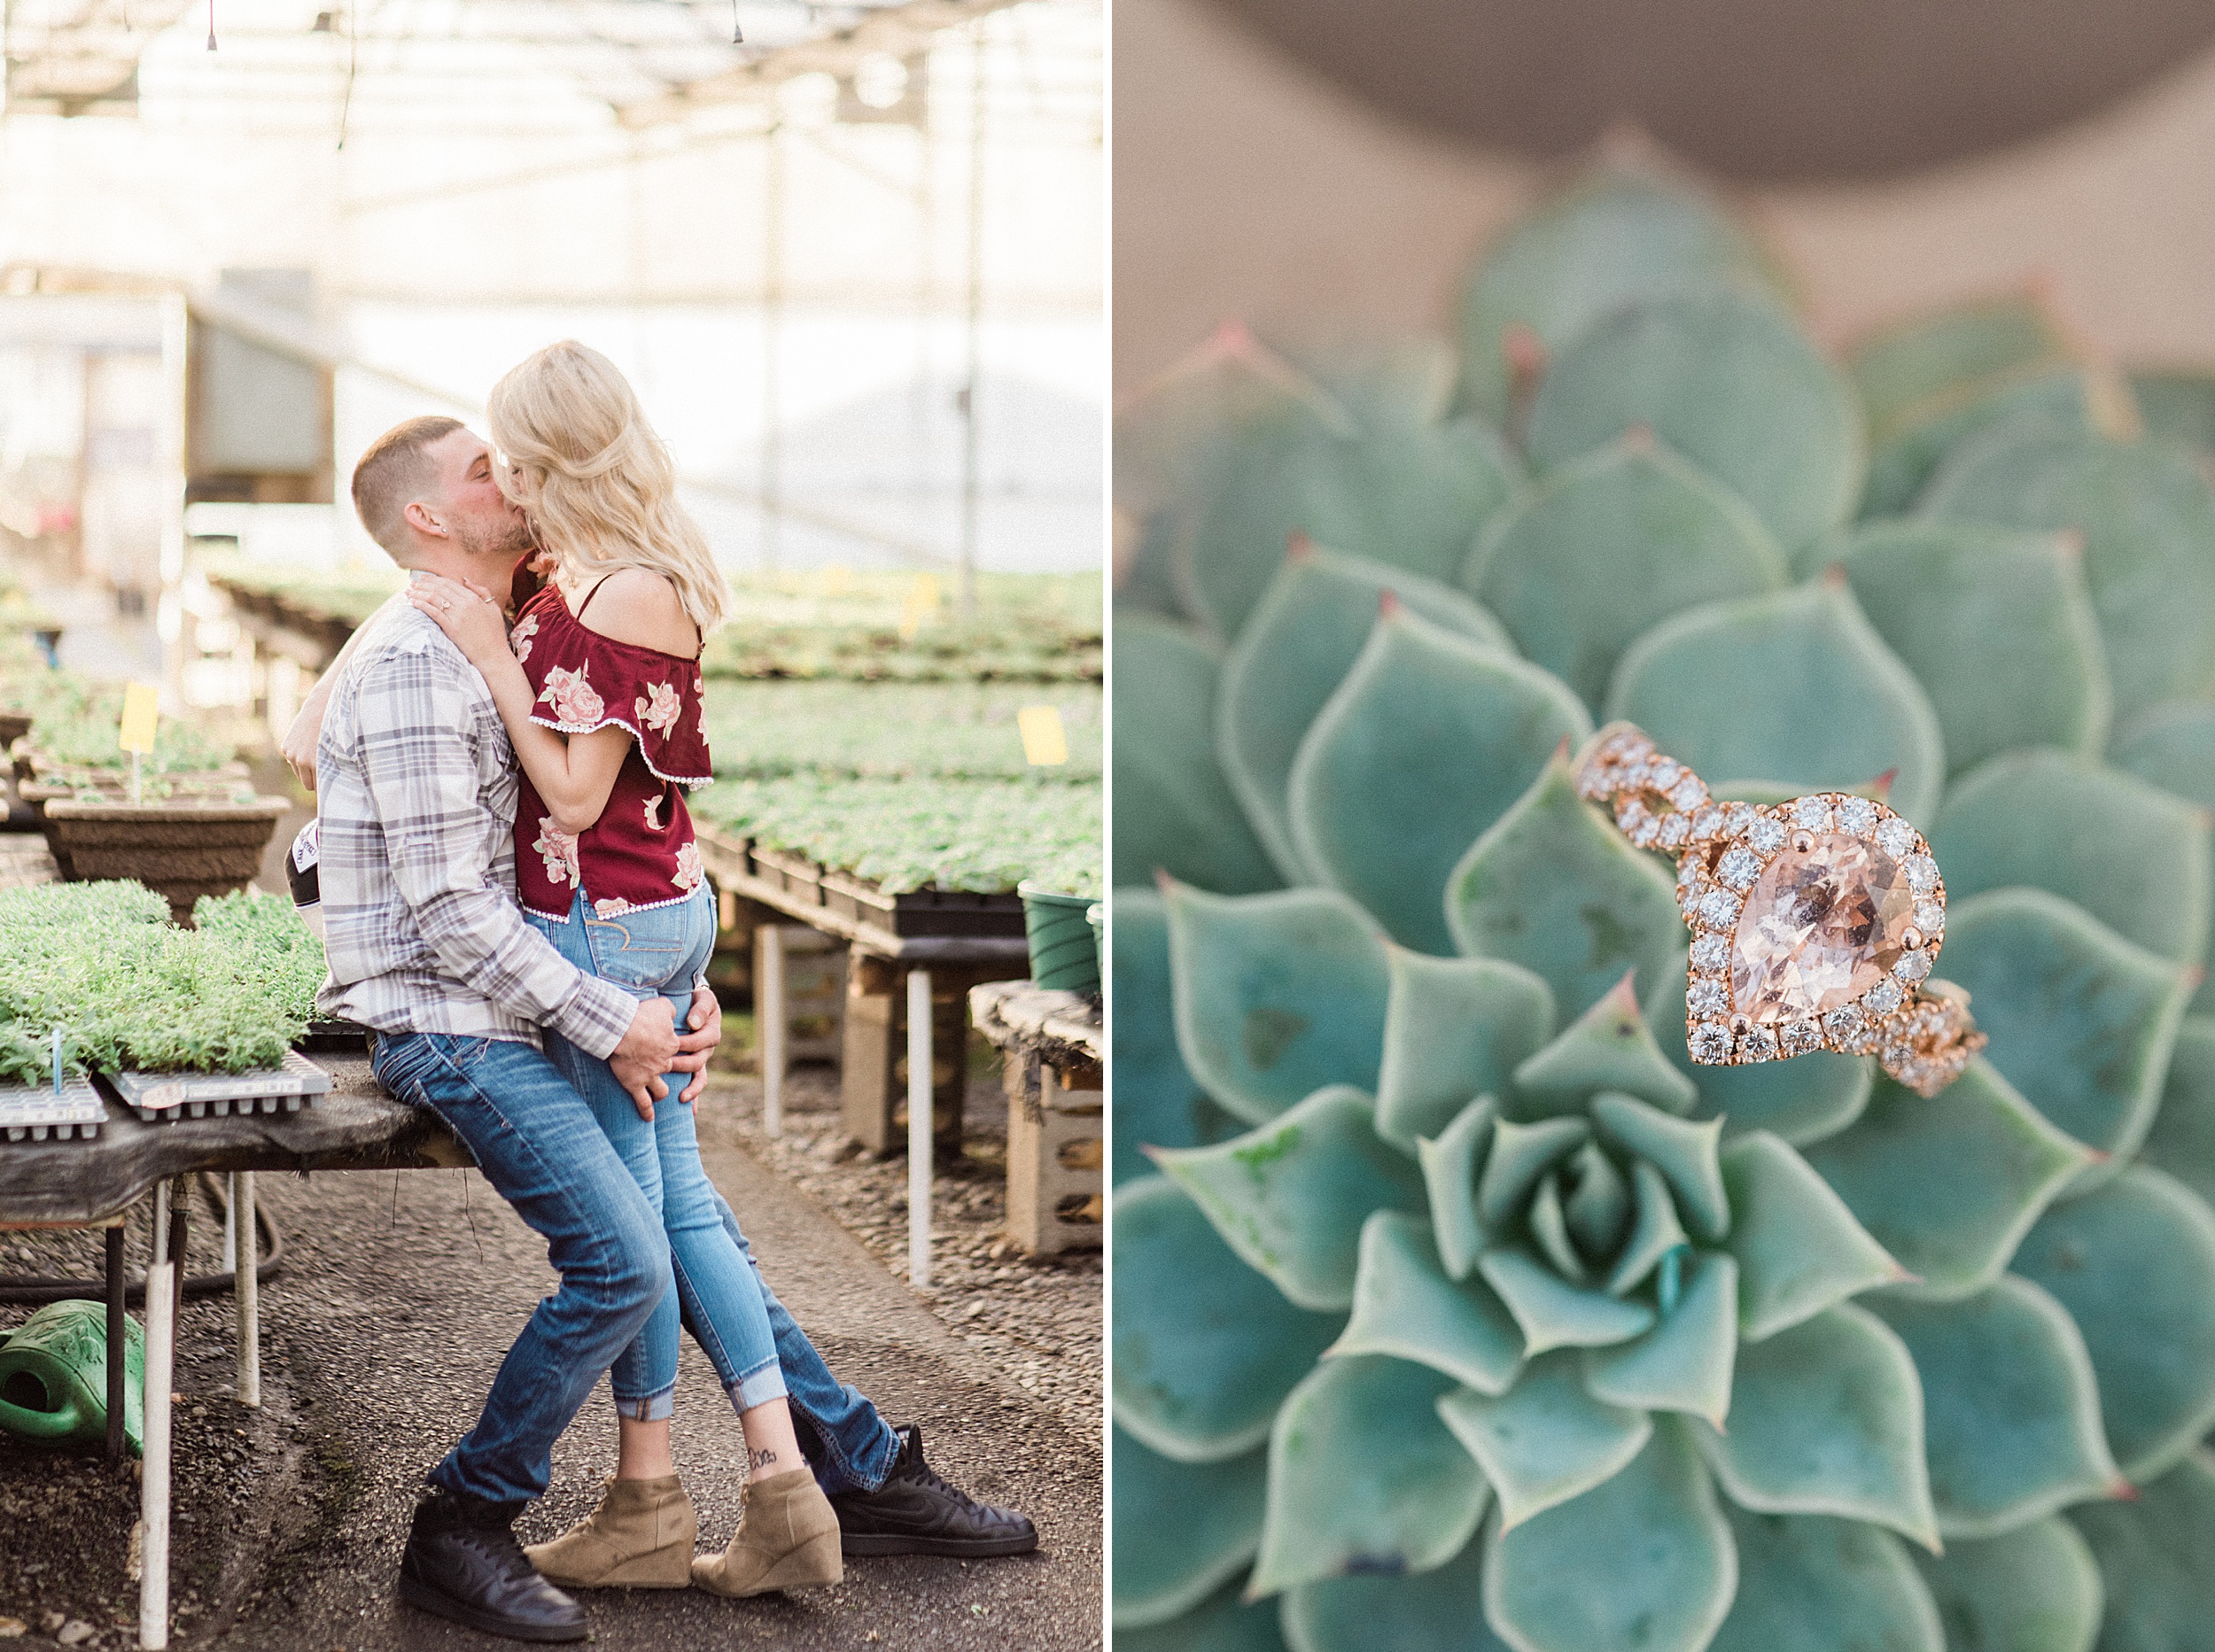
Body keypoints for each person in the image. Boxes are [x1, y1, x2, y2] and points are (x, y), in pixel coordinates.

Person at [296, 398, 1035, 1631]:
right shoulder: (423, 653)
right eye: (490, 467)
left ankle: (802, 1473)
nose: (517, 473)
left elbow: (548, 849)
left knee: (682, 1231)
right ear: (429, 516)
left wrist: (650, 973)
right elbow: (450, 911)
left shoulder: (528, 599)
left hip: (546, 988)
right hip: (458, 1018)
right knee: (644, 1250)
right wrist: (609, 1012)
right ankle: (470, 1515)